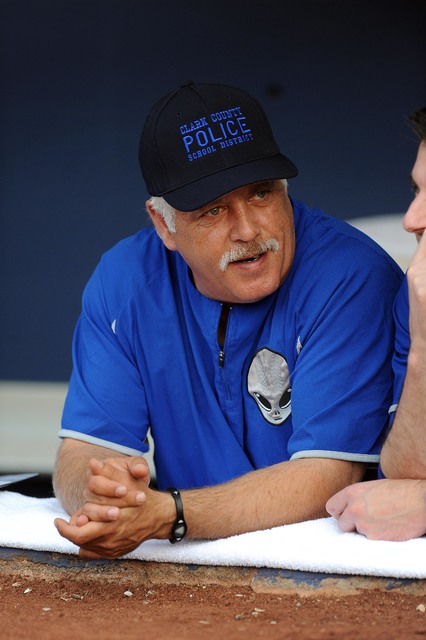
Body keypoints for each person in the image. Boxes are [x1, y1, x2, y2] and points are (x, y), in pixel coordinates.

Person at [52, 81, 402, 559]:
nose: (248, 230)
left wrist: (170, 514)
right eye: (213, 209)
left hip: (324, 563)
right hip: (189, 564)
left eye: (261, 193)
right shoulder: (124, 281)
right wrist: (107, 500)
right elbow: (83, 451)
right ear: (163, 224)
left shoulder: (350, 275)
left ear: (285, 188)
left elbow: (327, 477)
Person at [326, 107, 426, 541]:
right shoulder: (416, 295)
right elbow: (403, 477)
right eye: (417, 190)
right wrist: (424, 346)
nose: (411, 219)